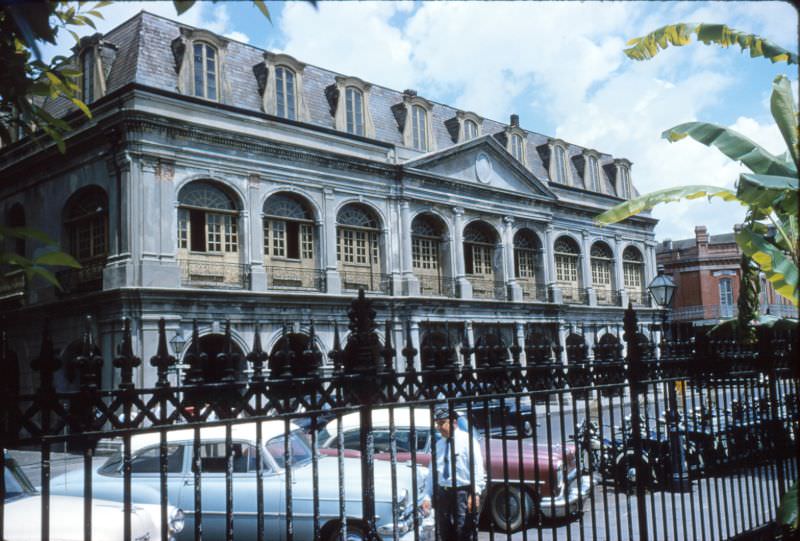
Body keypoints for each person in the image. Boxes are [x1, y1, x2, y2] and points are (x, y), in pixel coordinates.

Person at [421, 406, 486, 541]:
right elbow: (433, 473)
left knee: (463, 531)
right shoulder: (439, 445)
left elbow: (477, 468)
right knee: (444, 531)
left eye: (441, 423)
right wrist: (427, 496)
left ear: (453, 422)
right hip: (442, 493)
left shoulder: (467, 441)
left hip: (462, 492)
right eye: (437, 424)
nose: (438, 427)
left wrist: (475, 493)